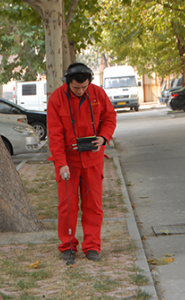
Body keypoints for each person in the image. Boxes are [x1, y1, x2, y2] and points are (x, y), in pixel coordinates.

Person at [47, 63, 117, 262]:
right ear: (67, 82)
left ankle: (92, 246)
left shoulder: (98, 94)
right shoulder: (56, 99)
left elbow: (110, 118)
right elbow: (55, 135)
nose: (80, 91)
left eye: (84, 87)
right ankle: (67, 246)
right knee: (67, 206)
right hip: (68, 162)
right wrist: (61, 164)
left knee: (93, 205)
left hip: (93, 160)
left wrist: (103, 137)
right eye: (76, 88)